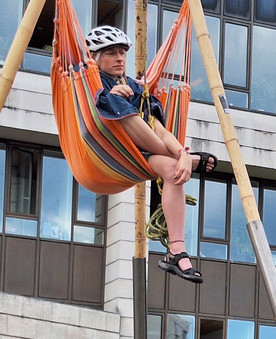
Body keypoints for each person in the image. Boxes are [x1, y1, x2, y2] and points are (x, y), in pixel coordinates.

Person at [85, 25, 217, 284]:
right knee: (116, 102)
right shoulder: (88, 82)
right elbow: (89, 104)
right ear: (95, 58)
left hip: (140, 153)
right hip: (108, 150)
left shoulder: (134, 87)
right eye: (111, 53)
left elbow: (157, 128)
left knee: (173, 170)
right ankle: (185, 158)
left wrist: (181, 153)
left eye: (122, 53)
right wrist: (109, 95)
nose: (120, 58)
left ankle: (176, 252)